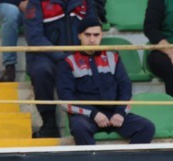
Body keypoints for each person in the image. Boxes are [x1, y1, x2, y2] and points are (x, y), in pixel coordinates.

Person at [57, 17, 155, 145]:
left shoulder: (112, 57)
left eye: (96, 35)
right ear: (79, 35)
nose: (92, 40)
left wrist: (120, 113)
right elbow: (66, 99)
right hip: (86, 116)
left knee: (147, 127)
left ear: (101, 35)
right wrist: (94, 114)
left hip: (114, 114)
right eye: (87, 35)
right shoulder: (67, 61)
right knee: (79, 127)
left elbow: (125, 88)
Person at [23, 0, 107, 137]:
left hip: (76, 54)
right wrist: (61, 56)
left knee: (93, 66)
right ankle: (49, 123)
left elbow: (92, 27)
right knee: (41, 71)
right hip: (45, 56)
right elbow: (34, 36)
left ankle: (82, 121)